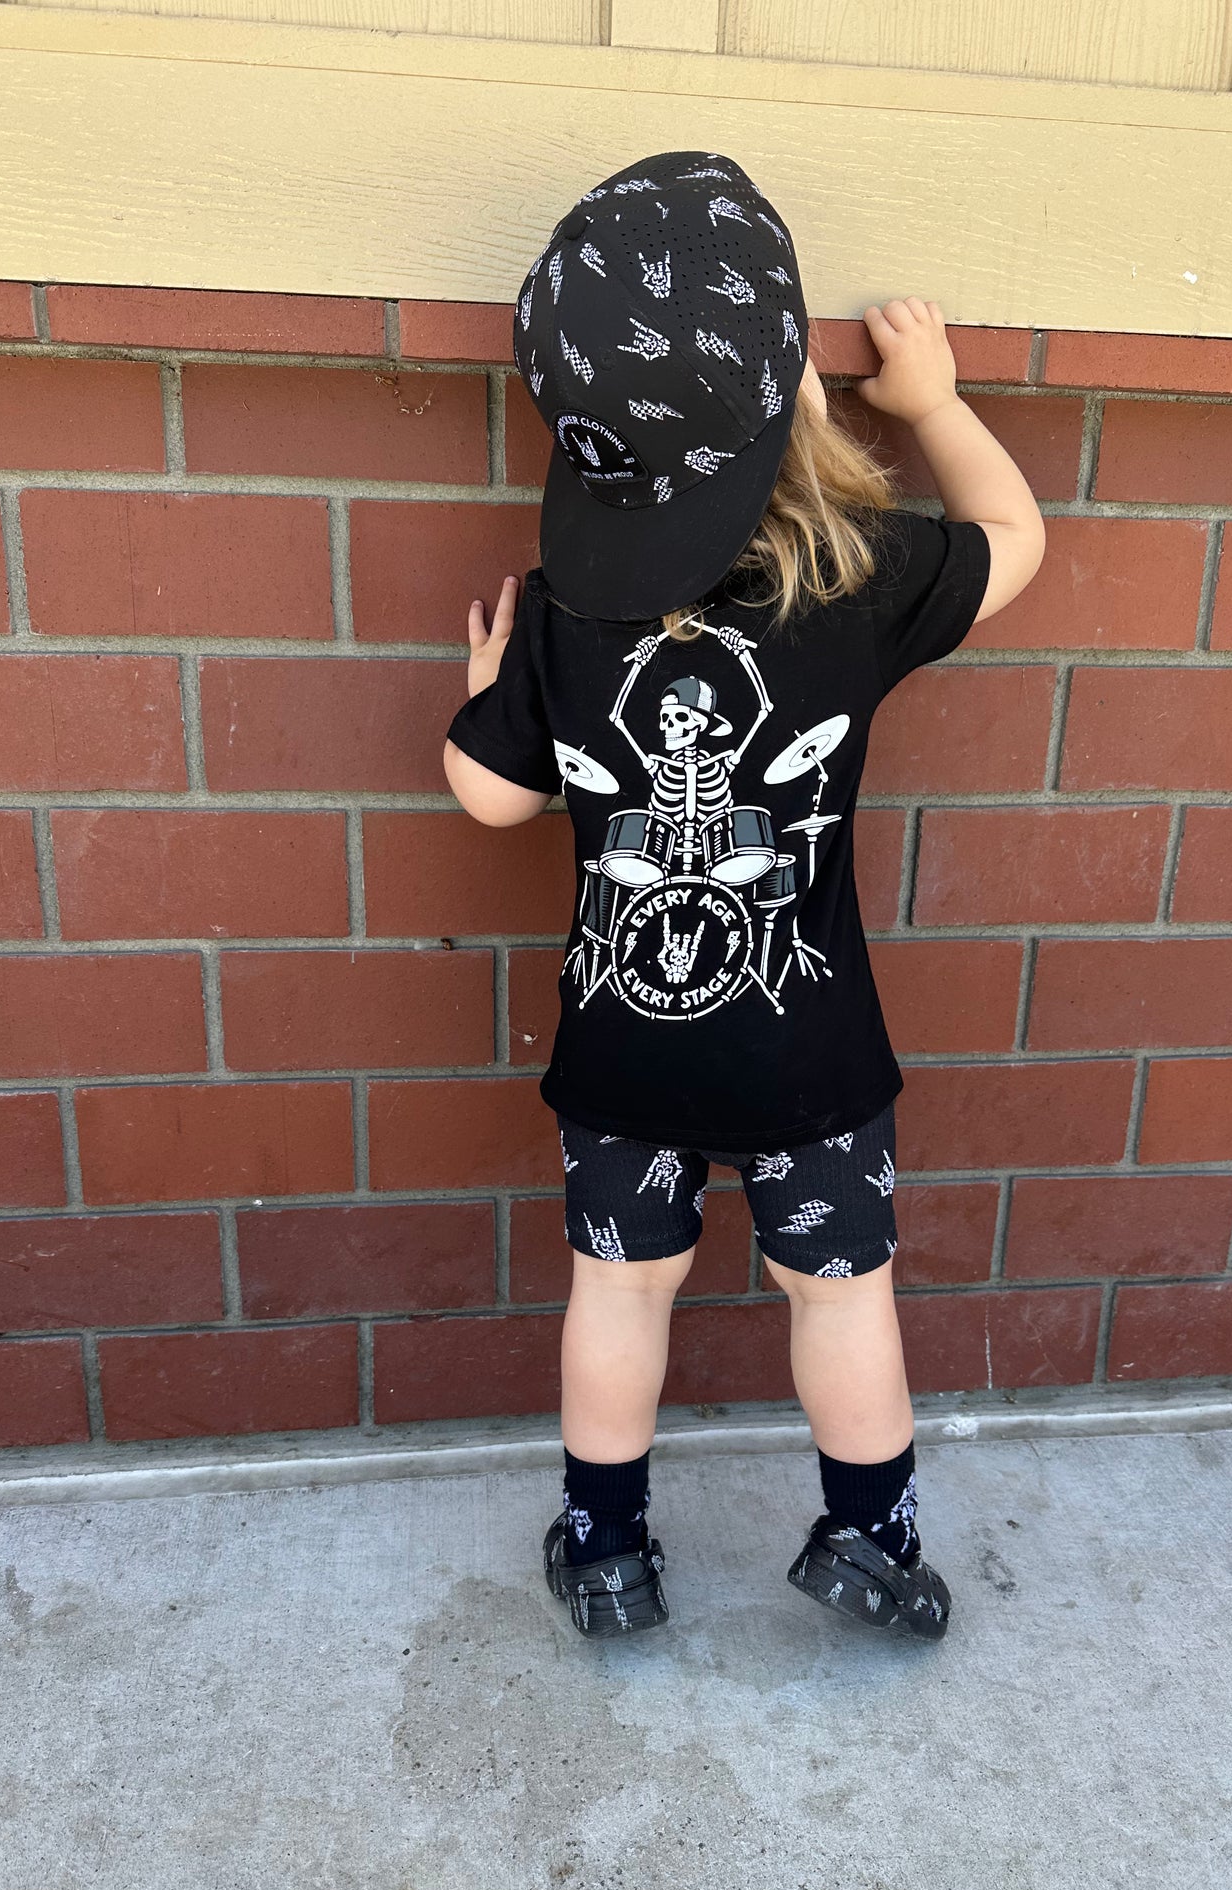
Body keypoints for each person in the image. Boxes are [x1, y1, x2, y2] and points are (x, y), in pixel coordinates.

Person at [443, 151, 1045, 1641]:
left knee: (618, 1293)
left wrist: (487, 689)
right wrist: (934, 405)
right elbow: (1018, 543)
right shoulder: (859, 573)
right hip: (807, 1052)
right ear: (791, 396)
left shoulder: (567, 608)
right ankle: (871, 1543)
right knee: (840, 1297)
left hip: (626, 1046)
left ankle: (607, 1552)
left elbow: (493, 794)